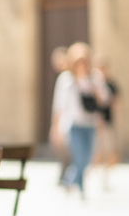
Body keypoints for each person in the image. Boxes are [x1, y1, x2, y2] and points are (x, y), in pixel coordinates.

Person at [53, 42, 107, 196]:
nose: (81, 65)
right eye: (78, 61)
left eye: (84, 61)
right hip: (74, 125)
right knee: (79, 157)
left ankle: (73, 182)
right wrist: (55, 127)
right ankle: (73, 182)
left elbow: (105, 99)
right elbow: (59, 105)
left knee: (87, 159)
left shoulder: (94, 78)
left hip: (90, 124)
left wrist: (94, 89)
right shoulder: (66, 79)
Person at [92, 56, 120, 187]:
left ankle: (105, 174)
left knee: (109, 150)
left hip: (107, 121)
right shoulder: (92, 83)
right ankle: (97, 174)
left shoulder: (111, 85)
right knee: (97, 150)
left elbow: (115, 104)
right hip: (94, 122)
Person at [48, 46, 72, 182]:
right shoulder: (65, 78)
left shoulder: (67, 78)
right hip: (65, 122)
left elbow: (59, 105)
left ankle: (67, 178)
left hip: (69, 122)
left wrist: (55, 126)